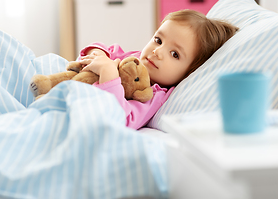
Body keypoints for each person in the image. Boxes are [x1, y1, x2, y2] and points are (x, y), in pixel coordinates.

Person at [77, 9, 238, 130]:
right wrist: (97, 53)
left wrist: (109, 74)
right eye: (158, 40)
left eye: (175, 54)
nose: (157, 51)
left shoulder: (155, 95)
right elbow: (108, 50)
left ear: (189, 72)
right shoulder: (136, 58)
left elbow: (123, 120)